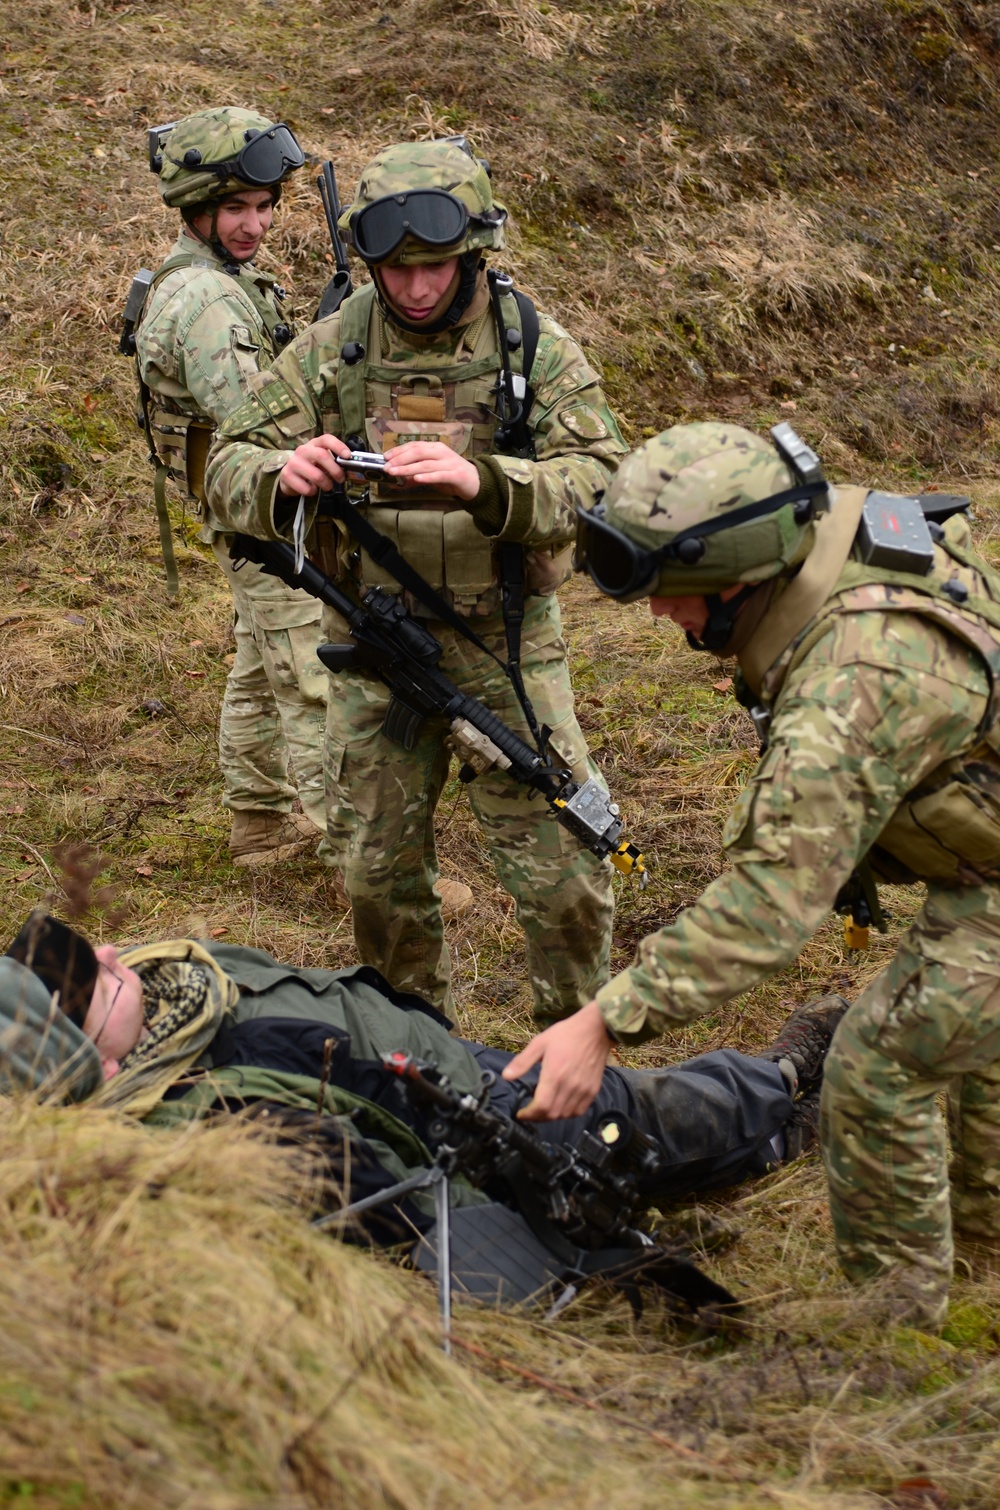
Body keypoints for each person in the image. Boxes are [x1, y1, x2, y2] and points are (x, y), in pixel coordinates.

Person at [504, 419, 1000, 1327]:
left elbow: (773, 900)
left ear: (738, 574)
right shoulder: (827, 538)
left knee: (881, 1062)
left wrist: (605, 1020)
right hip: (984, 856)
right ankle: (984, 1270)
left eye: (675, 593)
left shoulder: (855, 678)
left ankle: (898, 1328)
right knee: (963, 1040)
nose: (660, 615)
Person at [203, 137, 628, 1022]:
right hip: (374, 644)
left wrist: (487, 483)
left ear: (473, 250)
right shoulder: (335, 349)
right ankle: (417, 1060)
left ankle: (575, 1055)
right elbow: (224, 468)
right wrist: (282, 473)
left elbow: (606, 483)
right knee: (376, 879)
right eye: (394, 270)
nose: (417, 289)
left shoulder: (530, 349)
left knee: (566, 879)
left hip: (503, 644)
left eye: (435, 267)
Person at [0, 911, 846, 1250]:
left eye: (89, 947)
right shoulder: (213, 1124)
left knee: (652, 1112)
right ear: (94, 1067)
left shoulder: (170, 986)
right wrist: (578, 1241)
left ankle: (788, 1084)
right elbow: (409, 1210)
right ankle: (798, 1096)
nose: (110, 953)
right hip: (497, 1135)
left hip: (455, 1067)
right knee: (656, 1124)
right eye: (92, 978)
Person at [134, 107, 331, 868]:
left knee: (260, 659)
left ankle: (259, 824)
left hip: (245, 505)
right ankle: (358, 862)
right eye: (237, 209)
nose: (257, 224)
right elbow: (260, 425)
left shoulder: (224, 278)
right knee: (314, 674)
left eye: (265, 206)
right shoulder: (209, 301)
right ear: (197, 210)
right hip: (262, 505)